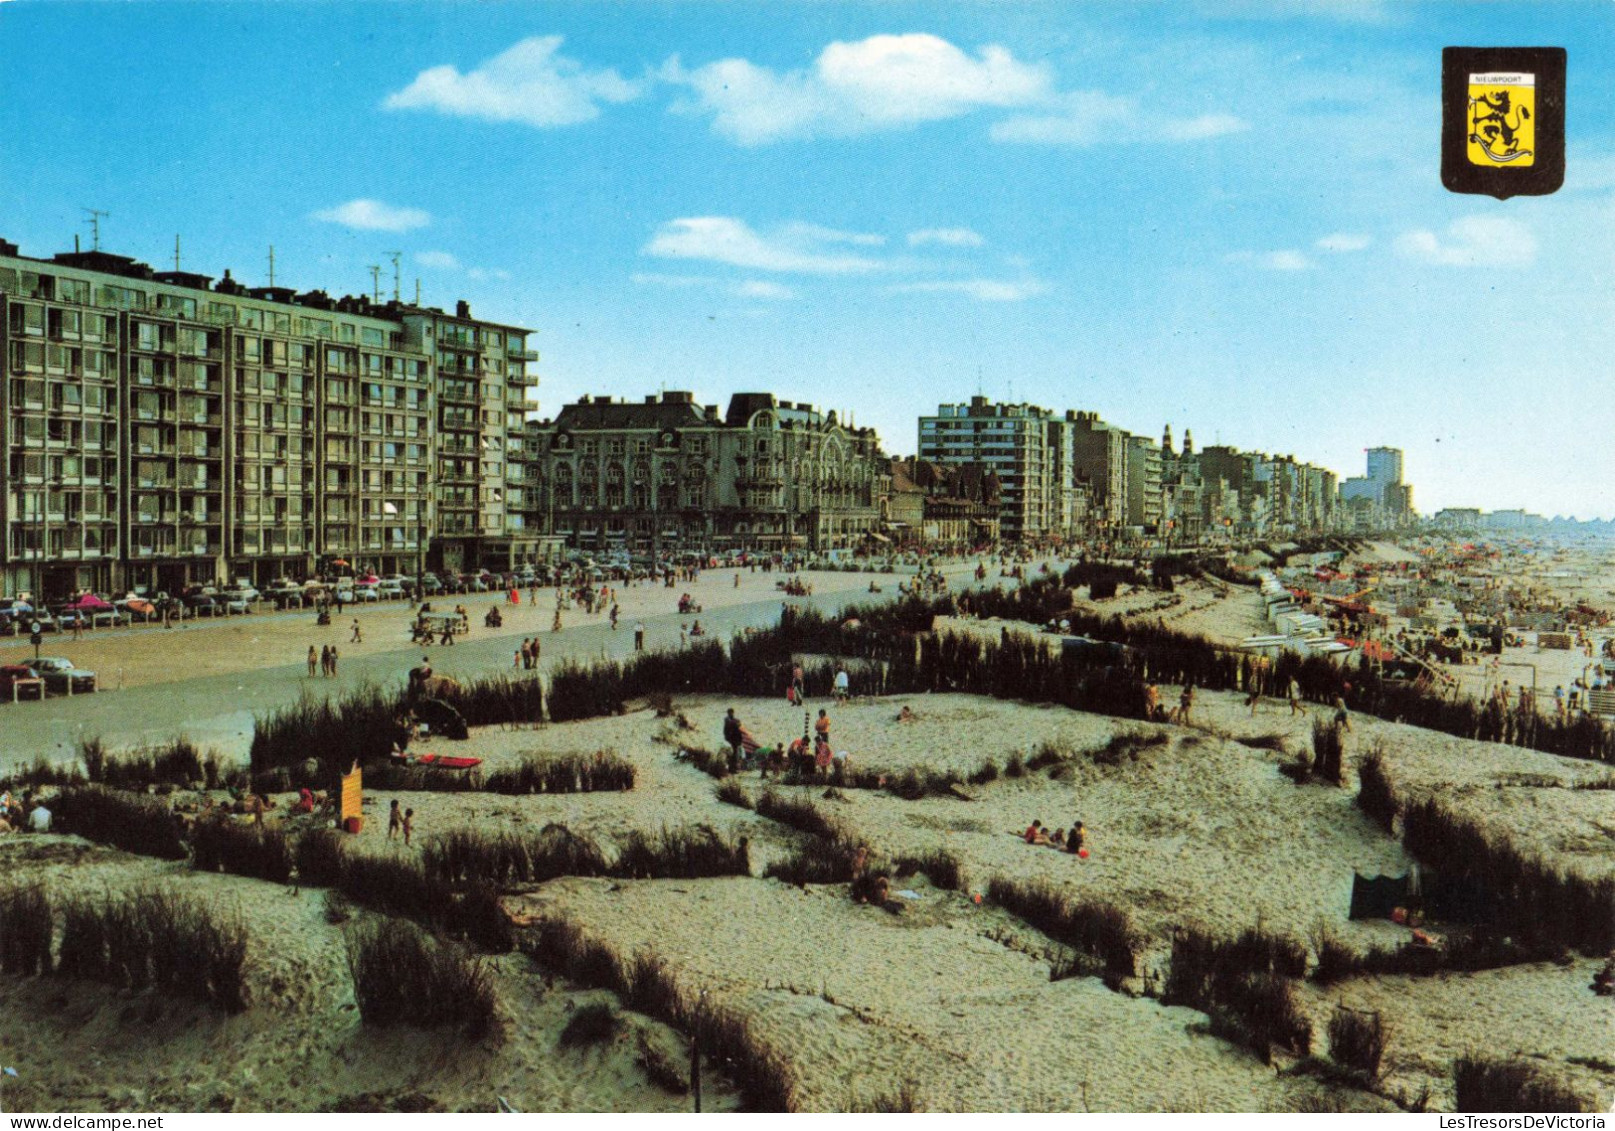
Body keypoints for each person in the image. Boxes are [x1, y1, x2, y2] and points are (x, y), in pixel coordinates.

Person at [723, 708, 744, 773]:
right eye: (730, 713)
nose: (731, 714)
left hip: (735, 739)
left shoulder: (733, 720)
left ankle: (733, 768)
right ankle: (732, 769)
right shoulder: (728, 721)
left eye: (731, 713)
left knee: (735, 754)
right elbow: (727, 730)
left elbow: (739, 727)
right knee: (733, 754)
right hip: (732, 740)